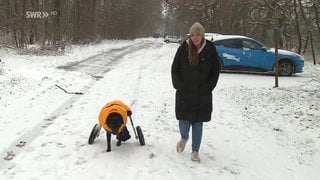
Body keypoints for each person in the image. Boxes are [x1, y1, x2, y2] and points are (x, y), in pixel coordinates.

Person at [171, 22, 221, 161]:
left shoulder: (210, 49)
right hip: (184, 92)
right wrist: (178, 84)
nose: (195, 37)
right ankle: (184, 137)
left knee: (198, 123)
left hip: (202, 94)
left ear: (202, 35)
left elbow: (215, 70)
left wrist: (209, 86)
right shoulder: (183, 48)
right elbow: (175, 68)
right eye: (192, 34)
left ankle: (195, 151)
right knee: (184, 122)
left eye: (198, 34)